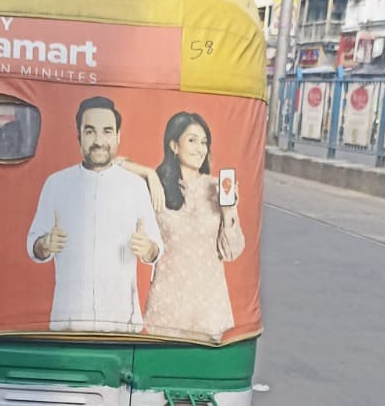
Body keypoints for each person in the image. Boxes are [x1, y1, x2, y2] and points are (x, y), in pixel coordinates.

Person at [26, 96, 163, 332]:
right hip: (69, 321)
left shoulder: (135, 186)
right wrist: (45, 244)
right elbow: (33, 245)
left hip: (121, 323)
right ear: (79, 136)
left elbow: (156, 249)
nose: (99, 141)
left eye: (107, 131)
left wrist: (148, 248)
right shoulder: (56, 184)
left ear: (118, 136)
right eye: (90, 132)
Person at [119, 112, 244, 343]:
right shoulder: (157, 188)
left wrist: (229, 213)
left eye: (204, 142)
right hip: (168, 309)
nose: (200, 148)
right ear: (174, 145)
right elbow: (113, 165)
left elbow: (232, 252)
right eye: (192, 140)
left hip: (209, 310)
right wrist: (148, 173)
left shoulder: (216, 187)